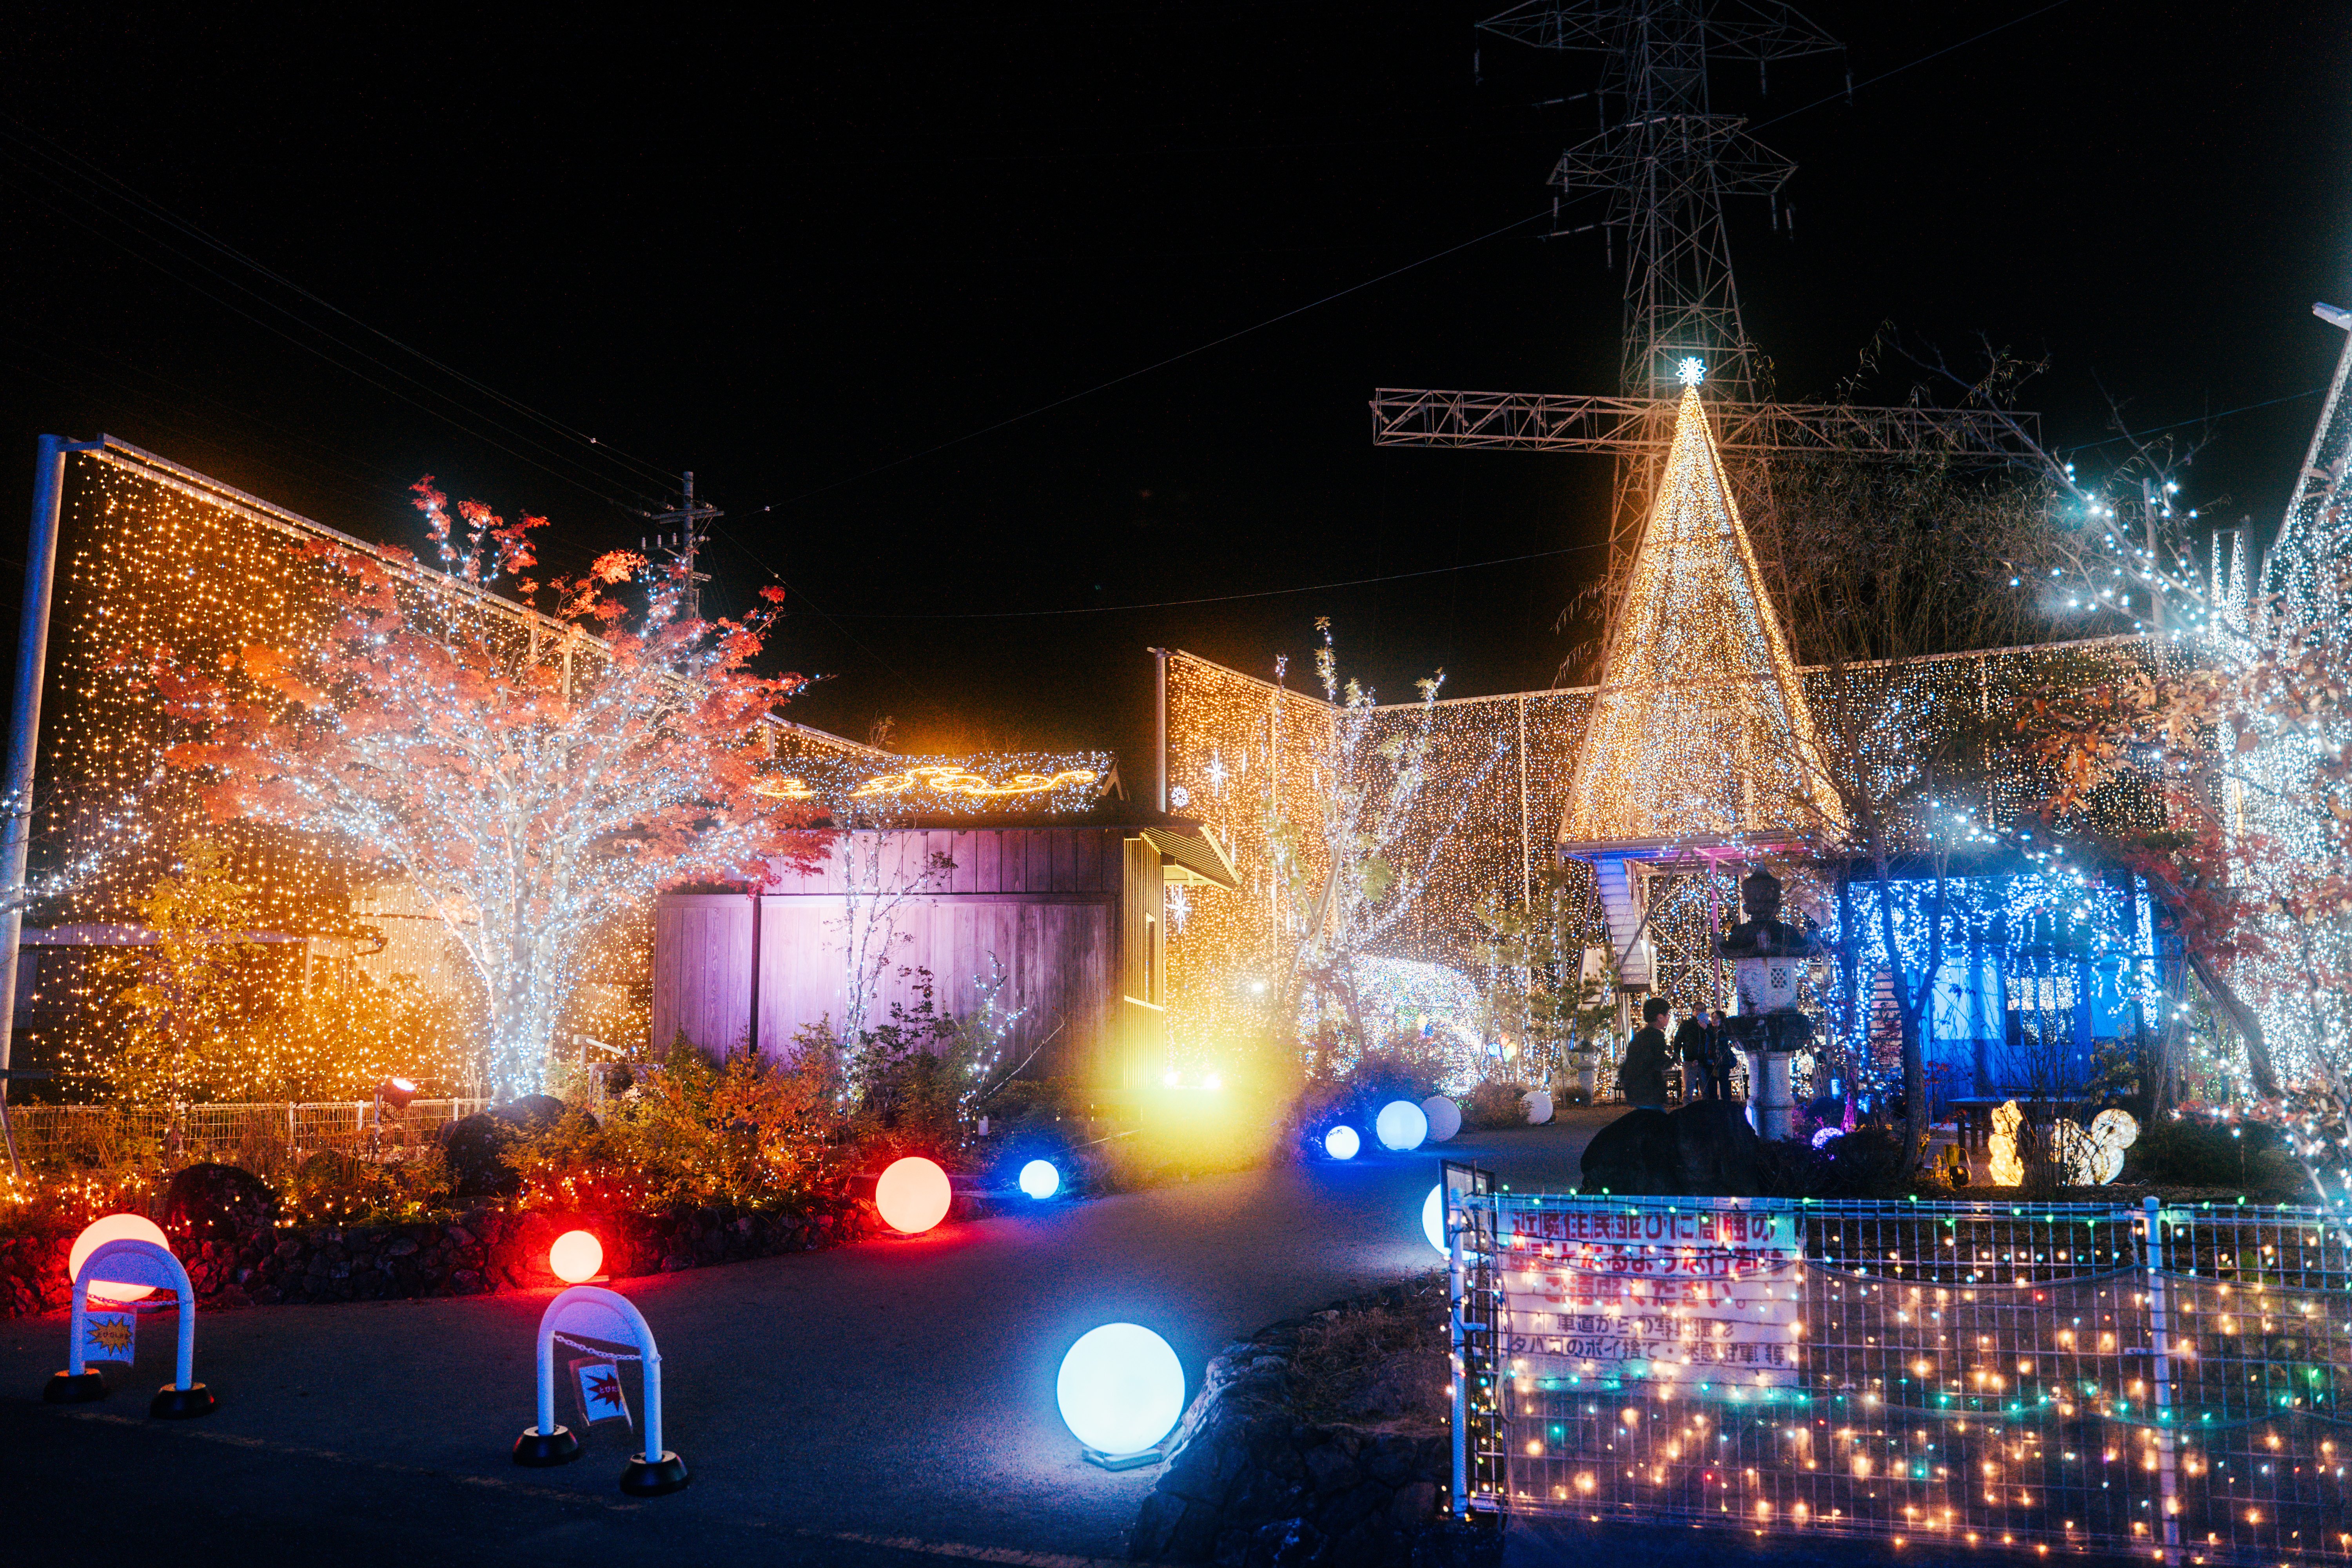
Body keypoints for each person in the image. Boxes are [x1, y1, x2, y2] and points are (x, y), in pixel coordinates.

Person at [1619, 997, 1673, 1110]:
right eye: (1668, 1014)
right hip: (1648, 1089)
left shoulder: (1640, 1036)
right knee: (1657, 1117)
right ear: (1660, 1017)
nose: (1669, 1017)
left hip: (1633, 1086)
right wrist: (1672, 1060)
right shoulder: (1657, 1036)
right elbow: (1659, 1063)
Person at [1671, 1007, 1711, 1102]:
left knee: (1706, 1090)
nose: (1699, 1012)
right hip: (1689, 1060)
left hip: (1704, 1062)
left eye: (1702, 1010)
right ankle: (1688, 1108)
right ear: (1693, 1011)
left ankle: (1706, 1108)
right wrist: (1677, 1055)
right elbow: (1678, 1040)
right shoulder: (1687, 1025)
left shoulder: (1708, 1026)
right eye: (1697, 1009)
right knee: (1688, 1091)